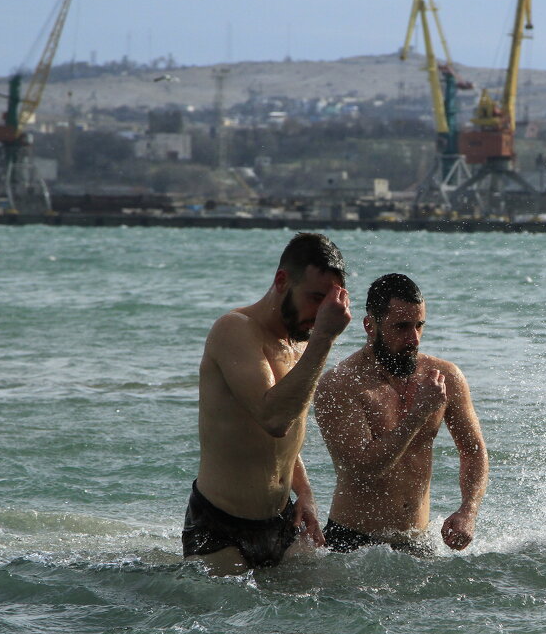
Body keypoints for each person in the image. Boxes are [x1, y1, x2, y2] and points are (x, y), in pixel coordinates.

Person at [182, 232, 351, 574]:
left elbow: (288, 433)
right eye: (315, 297)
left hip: (281, 520)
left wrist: (304, 492)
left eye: (328, 302)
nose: (320, 313)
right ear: (281, 280)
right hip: (220, 524)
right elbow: (273, 418)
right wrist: (325, 337)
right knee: (228, 620)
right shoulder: (234, 330)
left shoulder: (301, 342)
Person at [313, 273, 488, 554]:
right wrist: (419, 413)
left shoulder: (446, 377)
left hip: (419, 541)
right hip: (353, 543)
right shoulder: (340, 384)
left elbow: (473, 450)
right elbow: (365, 468)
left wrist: (468, 510)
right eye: (402, 327)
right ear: (370, 325)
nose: (414, 339)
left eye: (419, 326)